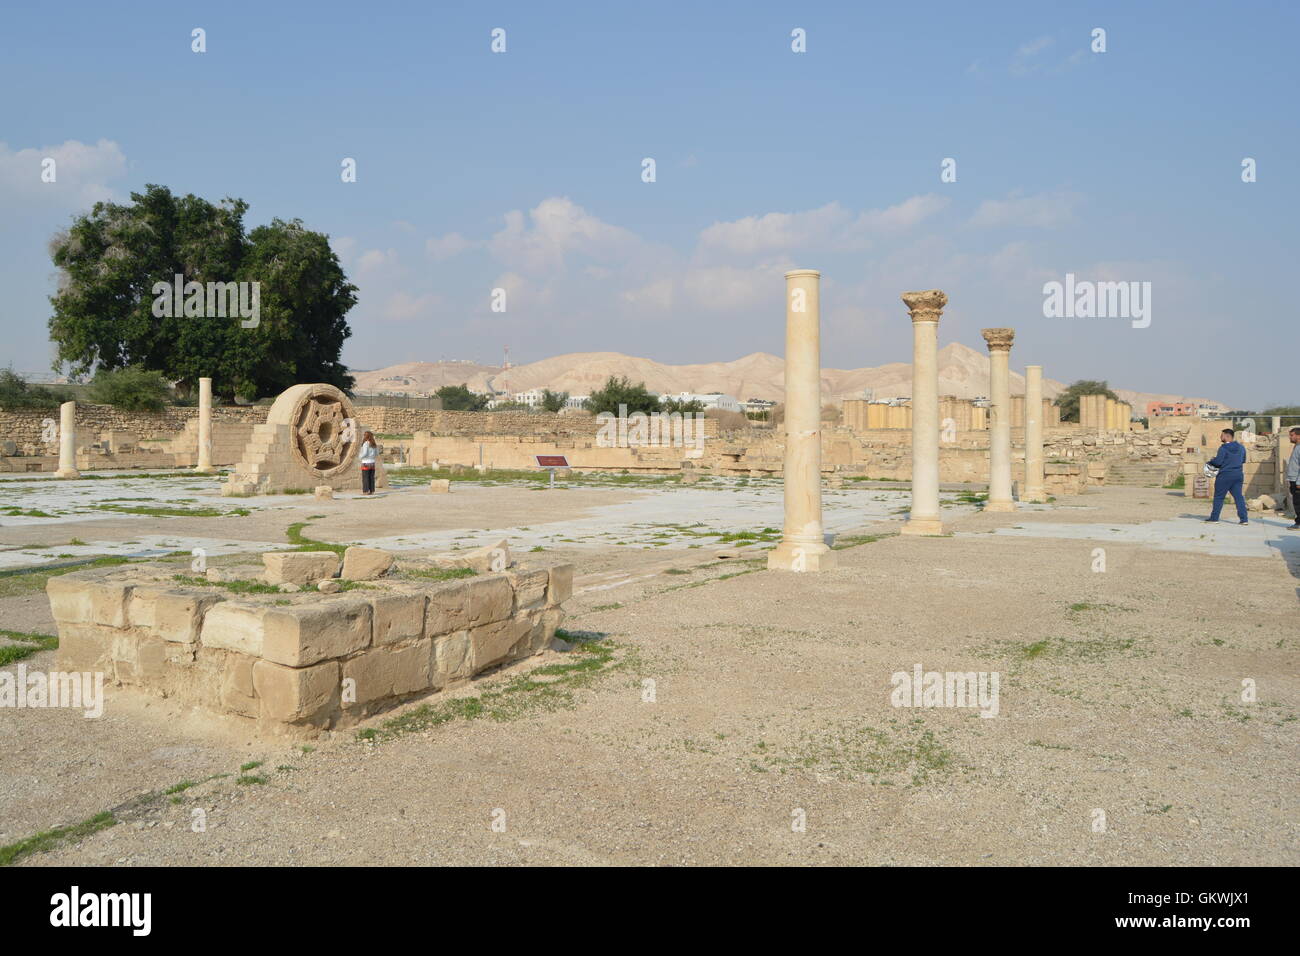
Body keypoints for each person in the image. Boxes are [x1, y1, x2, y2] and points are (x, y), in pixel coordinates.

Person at [1205, 428, 1247, 524]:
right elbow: (1243, 460)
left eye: (1222, 435)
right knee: (1238, 497)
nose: (1220, 437)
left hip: (1225, 475)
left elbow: (1218, 462)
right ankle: (1244, 519)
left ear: (1227, 436)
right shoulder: (1241, 447)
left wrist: (1212, 461)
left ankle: (1214, 518)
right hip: (1238, 475)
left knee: (1219, 497)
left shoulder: (1223, 448)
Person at [1286, 426, 1300, 530]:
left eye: (1292, 435)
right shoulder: (1296, 446)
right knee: (1296, 501)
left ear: (1298, 436)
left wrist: (1299, 481)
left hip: (1297, 481)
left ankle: (1298, 523)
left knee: (1298, 502)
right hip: (1293, 479)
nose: (1290, 437)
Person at [359, 431, 378, 495]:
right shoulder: (374, 444)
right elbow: (377, 454)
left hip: (366, 462)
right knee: (371, 477)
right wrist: (372, 457)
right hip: (372, 462)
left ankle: (365, 491)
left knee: (365, 477)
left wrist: (360, 457)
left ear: (366, 436)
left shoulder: (366, 444)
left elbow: (365, 453)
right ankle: (372, 491)